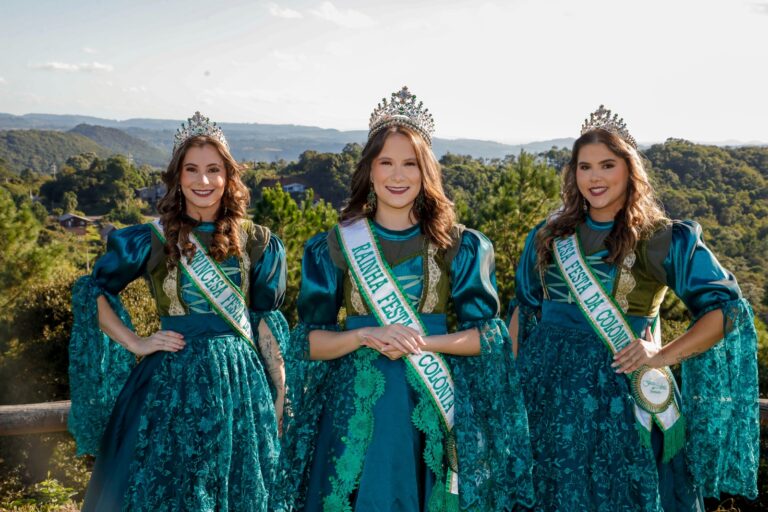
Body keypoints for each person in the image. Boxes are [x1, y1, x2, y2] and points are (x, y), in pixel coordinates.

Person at [273, 87, 534, 512]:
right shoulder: (336, 245)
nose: (398, 176)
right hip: (356, 410)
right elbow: (308, 343)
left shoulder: (459, 245)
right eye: (386, 163)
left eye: (410, 164)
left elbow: (487, 337)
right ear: (370, 171)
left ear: (426, 172)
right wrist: (365, 335)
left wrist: (421, 342)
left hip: (431, 404)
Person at [508, 106, 759, 511]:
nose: (595, 177)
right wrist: (509, 392)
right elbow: (525, 310)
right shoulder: (548, 234)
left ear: (629, 170)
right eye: (584, 166)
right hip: (543, 399)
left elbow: (725, 311)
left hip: (620, 400)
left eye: (607, 165)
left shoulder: (659, 238)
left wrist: (662, 354)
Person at [68, 112, 288, 511]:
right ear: (177, 176)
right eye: (192, 170)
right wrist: (136, 342)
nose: (203, 181)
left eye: (213, 170)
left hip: (240, 390)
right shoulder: (149, 238)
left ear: (228, 176)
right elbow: (91, 294)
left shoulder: (257, 241)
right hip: (168, 389)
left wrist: (279, 393)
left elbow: (263, 323)